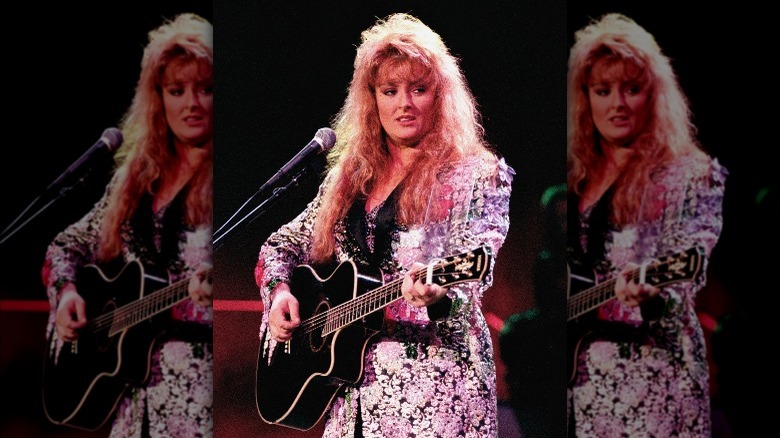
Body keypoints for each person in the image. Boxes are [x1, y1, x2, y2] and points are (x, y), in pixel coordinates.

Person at [255, 13, 513, 437]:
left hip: (434, 400)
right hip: (350, 401)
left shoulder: (476, 176)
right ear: (371, 98)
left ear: (440, 94)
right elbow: (279, 247)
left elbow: (472, 280)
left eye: (419, 89)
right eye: (389, 91)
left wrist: (437, 295)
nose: (403, 104)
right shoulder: (350, 179)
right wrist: (279, 293)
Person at [41, 13, 213, 437]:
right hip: (132, 408)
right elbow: (66, 246)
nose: (191, 103)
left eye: (206, 89)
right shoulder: (137, 179)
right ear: (159, 98)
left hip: (199, 399)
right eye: (177, 90)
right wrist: (66, 295)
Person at [566, 13, 727, 436]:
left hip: (655, 369)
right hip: (582, 376)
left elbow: (688, 262)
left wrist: (654, 290)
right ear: (586, 98)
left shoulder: (691, 175)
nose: (617, 103)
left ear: (652, 95)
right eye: (603, 91)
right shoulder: (576, 175)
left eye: (631, 89)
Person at [499, 183, 566, 438]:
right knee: (516, 332)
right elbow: (548, 308)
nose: (565, 225)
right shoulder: (547, 262)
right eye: (559, 218)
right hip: (554, 335)